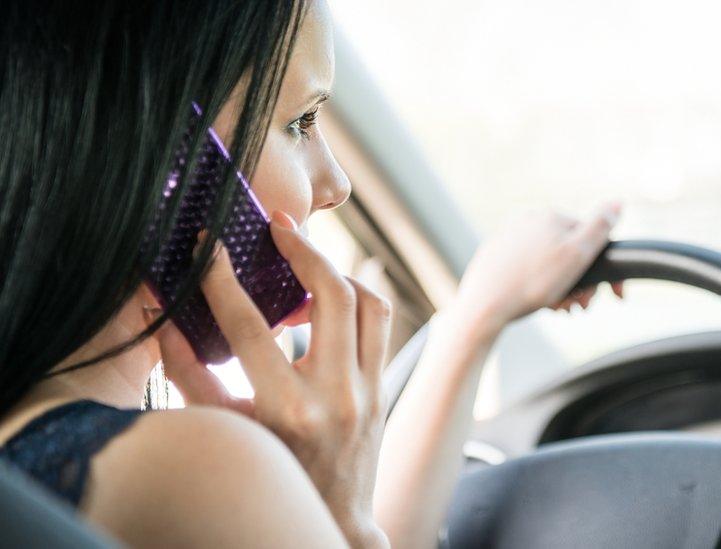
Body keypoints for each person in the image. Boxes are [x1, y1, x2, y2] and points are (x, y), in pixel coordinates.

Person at [0, 1, 624, 547]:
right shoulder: (194, 474)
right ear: (167, 165)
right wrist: (346, 523)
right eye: (300, 122)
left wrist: (470, 323)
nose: (337, 185)